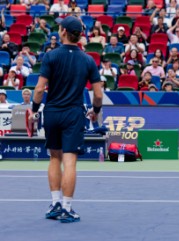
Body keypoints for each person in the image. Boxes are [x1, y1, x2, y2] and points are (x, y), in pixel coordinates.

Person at [29, 16, 102, 223]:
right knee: (70, 162)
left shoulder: (51, 56)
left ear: (62, 32)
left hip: (52, 113)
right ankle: (67, 208)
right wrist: (95, 110)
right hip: (73, 114)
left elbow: (39, 89)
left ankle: (55, 204)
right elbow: (97, 95)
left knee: (54, 158)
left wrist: (34, 110)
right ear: (80, 35)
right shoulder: (88, 59)